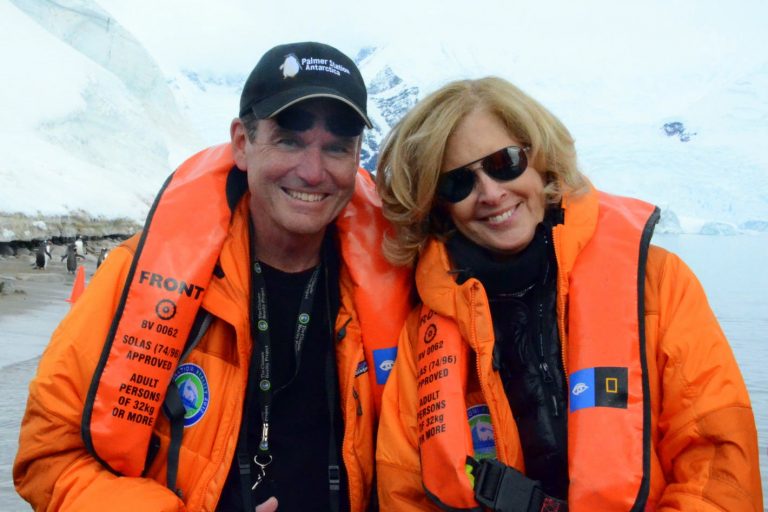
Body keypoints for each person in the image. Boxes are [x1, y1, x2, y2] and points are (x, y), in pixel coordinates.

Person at [14, 41, 411, 512]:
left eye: (337, 148)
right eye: (289, 140)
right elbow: (48, 456)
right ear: (242, 143)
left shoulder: (398, 285)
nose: (312, 171)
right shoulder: (137, 276)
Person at [374, 77, 762, 511]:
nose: (490, 193)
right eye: (457, 183)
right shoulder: (422, 337)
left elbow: (715, 464)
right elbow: (404, 492)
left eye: (505, 162)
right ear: (437, 204)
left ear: (540, 160)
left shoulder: (658, 285)